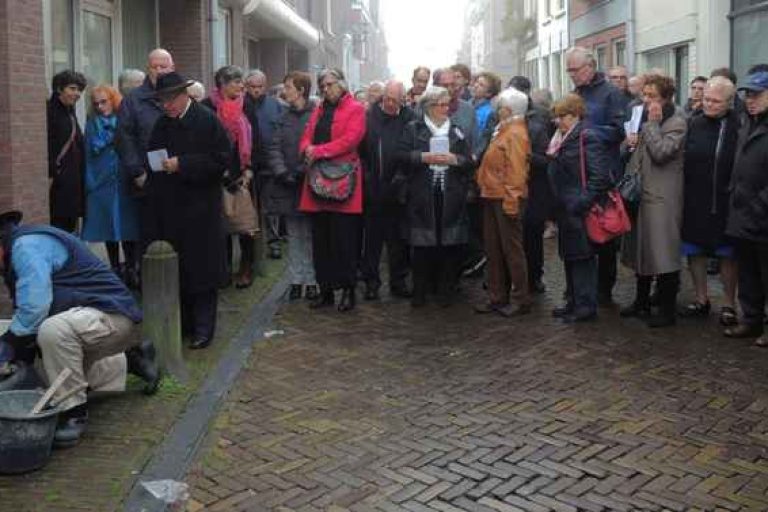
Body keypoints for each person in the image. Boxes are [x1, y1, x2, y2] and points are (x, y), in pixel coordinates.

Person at [0, 211, 157, 447]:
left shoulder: (25, 247)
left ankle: (73, 412)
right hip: (86, 319)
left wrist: (10, 345)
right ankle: (128, 362)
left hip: (110, 314)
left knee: (51, 332)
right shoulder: (15, 248)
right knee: (49, 365)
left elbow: (34, 307)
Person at [143, 72, 231, 349]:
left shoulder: (206, 120)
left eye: (169, 100)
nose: (166, 106)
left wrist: (184, 164)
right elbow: (152, 158)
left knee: (202, 270)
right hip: (170, 210)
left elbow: (221, 160)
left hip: (200, 210)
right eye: (161, 102)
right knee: (178, 271)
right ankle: (185, 325)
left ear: (184, 95)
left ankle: (205, 328)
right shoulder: (161, 124)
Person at [396, 86, 474, 307]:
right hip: (422, 196)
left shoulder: (456, 131)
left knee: (449, 244)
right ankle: (420, 291)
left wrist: (454, 160)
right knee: (421, 245)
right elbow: (400, 156)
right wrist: (423, 157)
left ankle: (445, 291)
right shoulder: (413, 129)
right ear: (429, 107)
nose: (445, 109)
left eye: (447, 104)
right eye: (441, 105)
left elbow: (469, 161)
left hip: (450, 196)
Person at [620, 74, 687, 328]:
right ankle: (641, 301)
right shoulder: (643, 118)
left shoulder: (676, 122)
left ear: (666, 98)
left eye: (652, 97)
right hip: (640, 194)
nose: (646, 101)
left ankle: (667, 309)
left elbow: (661, 153)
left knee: (663, 252)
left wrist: (651, 126)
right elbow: (632, 152)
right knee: (640, 249)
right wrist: (628, 143)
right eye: (644, 96)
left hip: (662, 198)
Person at [298, 68, 366, 312]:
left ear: (342, 84)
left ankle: (348, 290)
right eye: (322, 86)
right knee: (321, 240)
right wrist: (306, 147)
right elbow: (306, 136)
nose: (326, 89)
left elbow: (351, 139)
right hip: (318, 181)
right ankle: (325, 290)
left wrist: (318, 151)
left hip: (343, 181)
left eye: (330, 84)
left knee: (344, 240)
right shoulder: (318, 110)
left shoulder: (356, 109)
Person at [566, 46, 627, 305]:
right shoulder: (574, 94)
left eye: (575, 70)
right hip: (577, 174)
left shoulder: (611, 94)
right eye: (568, 70)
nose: (571, 75)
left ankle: (604, 291)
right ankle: (581, 290)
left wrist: (589, 134)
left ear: (590, 67)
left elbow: (620, 130)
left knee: (605, 235)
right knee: (581, 236)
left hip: (602, 173)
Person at [680, 77, 740, 325]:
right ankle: (701, 298)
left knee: (727, 254)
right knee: (695, 252)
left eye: (716, 101)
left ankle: (728, 304)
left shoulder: (739, 124)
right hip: (695, 199)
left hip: (727, 200)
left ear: (729, 102)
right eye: (706, 99)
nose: (709, 104)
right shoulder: (694, 123)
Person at [547, 94, 613, 323]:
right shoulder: (562, 137)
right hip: (565, 208)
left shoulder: (587, 137)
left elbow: (598, 177)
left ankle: (585, 306)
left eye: (562, 116)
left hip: (578, 209)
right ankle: (573, 301)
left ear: (575, 115)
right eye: (556, 117)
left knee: (583, 258)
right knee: (570, 256)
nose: (557, 121)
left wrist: (580, 203)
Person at [474, 87, 532, 317]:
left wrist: (512, 200)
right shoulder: (506, 130)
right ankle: (498, 296)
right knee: (494, 248)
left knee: (512, 250)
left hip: (504, 197)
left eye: (499, 108)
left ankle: (520, 298)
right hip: (493, 195)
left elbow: (517, 172)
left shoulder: (515, 133)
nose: (497, 112)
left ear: (507, 110)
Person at [201, 66, 259, 289]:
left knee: (246, 226)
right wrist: (218, 169)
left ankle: (246, 268)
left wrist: (250, 169)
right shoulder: (207, 107)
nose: (241, 86)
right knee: (220, 225)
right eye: (235, 82)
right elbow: (205, 143)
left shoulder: (248, 107)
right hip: (217, 173)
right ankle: (222, 270)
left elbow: (257, 140)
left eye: (240, 81)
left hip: (244, 173)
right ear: (222, 84)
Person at [723, 71, 768, 346]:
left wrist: (758, 206)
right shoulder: (747, 124)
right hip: (743, 215)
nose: (750, 100)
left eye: (757, 95)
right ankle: (750, 321)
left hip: (762, 215)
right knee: (749, 273)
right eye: (748, 95)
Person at [359, 80, 415, 301]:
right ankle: (371, 282)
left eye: (395, 100)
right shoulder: (370, 116)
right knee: (372, 239)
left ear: (402, 99)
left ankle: (398, 281)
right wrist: (367, 175)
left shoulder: (409, 117)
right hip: (374, 186)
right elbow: (361, 149)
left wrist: (403, 177)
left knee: (397, 239)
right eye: (387, 99)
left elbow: (412, 146)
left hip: (399, 187)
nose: (391, 104)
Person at [81, 85, 141, 288]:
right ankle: (115, 268)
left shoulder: (124, 120)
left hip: (124, 178)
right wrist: (91, 182)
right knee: (108, 226)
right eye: (96, 103)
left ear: (113, 99)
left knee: (128, 224)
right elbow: (89, 154)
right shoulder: (92, 124)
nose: (99, 106)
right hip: (103, 181)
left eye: (103, 101)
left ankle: (132, 267)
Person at [267, 71, 318, 302]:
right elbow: (274, 147)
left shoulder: (316, 115)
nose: (284, 90)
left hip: (310, 184)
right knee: (295, 235)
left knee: (312, 235)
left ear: (300, 90)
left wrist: (302, 170)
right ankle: (296, 279)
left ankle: (313, 279)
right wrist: (282, 172)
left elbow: (318, 146)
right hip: (287, 183)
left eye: (288, 87)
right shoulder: (282, 117)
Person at [509, 76, 556, 294]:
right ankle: (518, 277)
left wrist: (526, 156)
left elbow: (548, 159)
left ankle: (534, 277)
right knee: (515, 235)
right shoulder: (503, 121)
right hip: (512, 187)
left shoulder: (540, 121)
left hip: (535, 187)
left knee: (532, 234)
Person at [116, 48, 175, 199]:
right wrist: (137, 172)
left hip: (178, 175)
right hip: (147, 178)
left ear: (172, 68)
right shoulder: (132, 100)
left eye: (163, 67)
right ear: (148, 70)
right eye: (154, 67)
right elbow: (124, 138)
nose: (159, 71)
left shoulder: (182, 97)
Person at [245, 69, 286, 260]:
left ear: (265, 86)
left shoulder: (275, 105)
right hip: (248, 165)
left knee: (271, 207)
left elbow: (281, 133)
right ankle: (252, 246)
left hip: (269, 165)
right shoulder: (241, 105)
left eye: (259, 87)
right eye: (252, 87)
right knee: (249, 207)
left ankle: (273, 242)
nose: (256, 90)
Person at [47, 70, 87, 233]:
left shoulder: (69, 113)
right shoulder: (50, 112)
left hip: (72, 184)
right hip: (58, 184)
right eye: (72, 88)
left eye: (79, 90)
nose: (77, 94)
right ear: (58, 89)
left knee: (69, 229)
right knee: (58, 228)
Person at [472, 72, 501, 144]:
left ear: (489, 93)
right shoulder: (467, 105)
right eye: (477, 82)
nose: (476, 86)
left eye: (481, 85)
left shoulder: (489, 113)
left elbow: (485, 138)